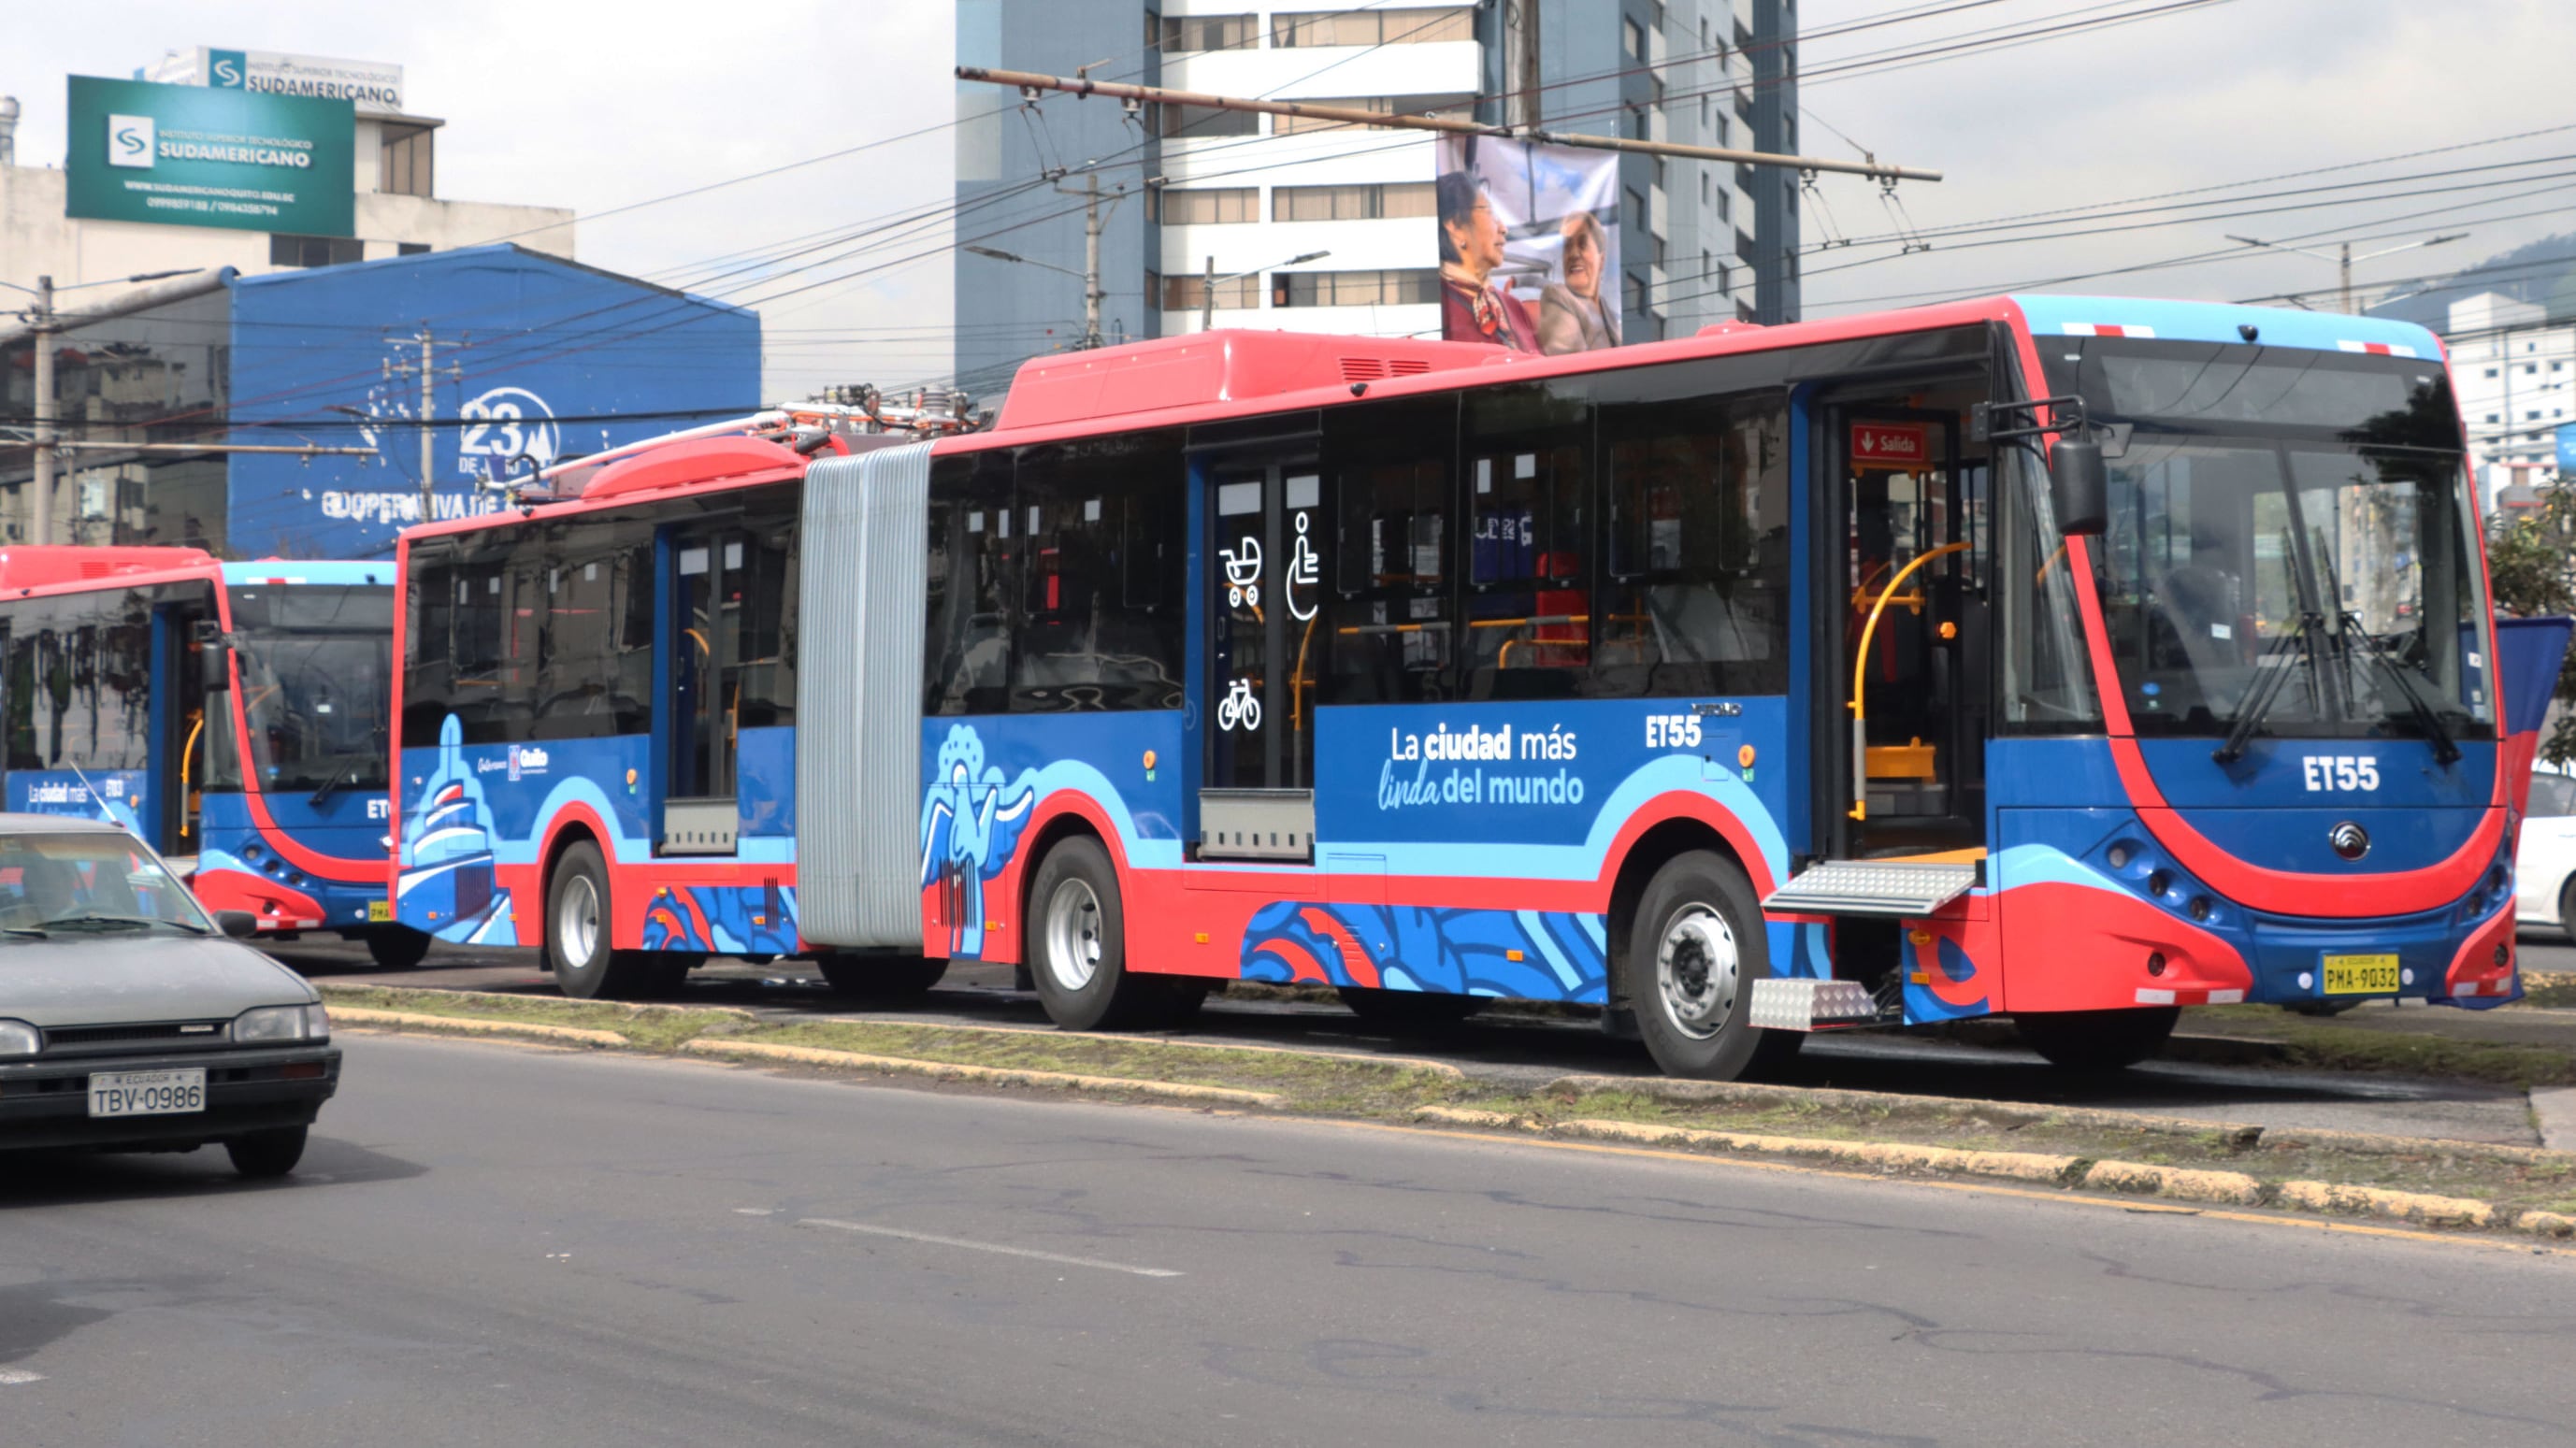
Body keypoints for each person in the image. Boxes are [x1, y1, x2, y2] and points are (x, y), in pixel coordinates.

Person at [1437, 170, 1538, 352]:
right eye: (1490, 213)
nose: (1503, 228)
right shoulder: (1437, 306)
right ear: (1455, 225)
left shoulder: (1513, 307)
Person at [1537, 210, 1620, 354]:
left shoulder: (1607, 310)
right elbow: (1570, 361)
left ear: (1601, 260)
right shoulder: (1556, 296)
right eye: (1568, 246)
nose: (1574, 254)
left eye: (1583, 245)